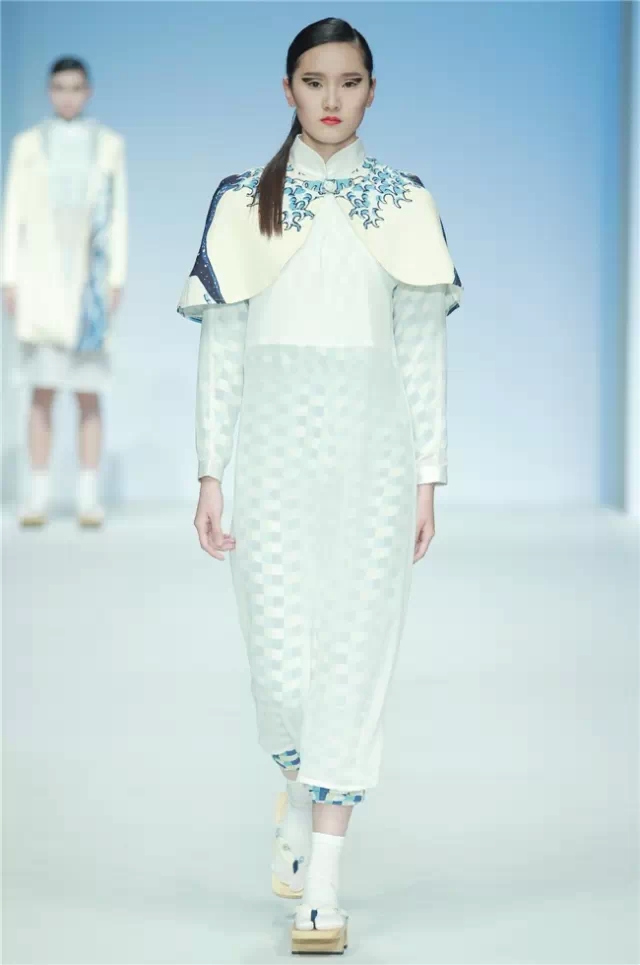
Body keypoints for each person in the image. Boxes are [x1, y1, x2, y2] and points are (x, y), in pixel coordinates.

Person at [178, 17, 462, 954]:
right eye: (314, 81)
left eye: (348, 81)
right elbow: (221, 349)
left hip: (374, 454)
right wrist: (211, 470)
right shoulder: (241, 201)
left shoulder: (405, 202)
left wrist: (426, 476)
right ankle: (296, 791)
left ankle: (325, 885)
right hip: (272, 452)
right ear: (288, 90)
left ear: (372, 89)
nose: (331, 99)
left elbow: (421, 349)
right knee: (280, 663)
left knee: (353, 657)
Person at [1, 56, 127, 527]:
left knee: (89, 392)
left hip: (89, 287)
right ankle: (36, 499)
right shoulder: (27, 144)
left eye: (76, 87)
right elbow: (13, 212)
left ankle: (88, 500)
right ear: (49, 91)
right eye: (59, 87)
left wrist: (116, 278)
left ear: (87, 91)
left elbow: (118, 214)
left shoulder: (109, 145)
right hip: (40, 282)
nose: (67, 96)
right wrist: (9, 278)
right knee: (42, 390)